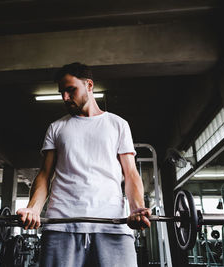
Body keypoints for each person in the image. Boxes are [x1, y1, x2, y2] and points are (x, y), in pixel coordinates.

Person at [16, 62, 151, 267]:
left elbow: (130, 173)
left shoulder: (118, 124)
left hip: (111, 225)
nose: (65, 98)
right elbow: (44, 175)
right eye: (62, 92)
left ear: (89, 85)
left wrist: (136, 208)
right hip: (62, 226)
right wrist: (33, 209)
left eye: (71, 90)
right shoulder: (57, 128)